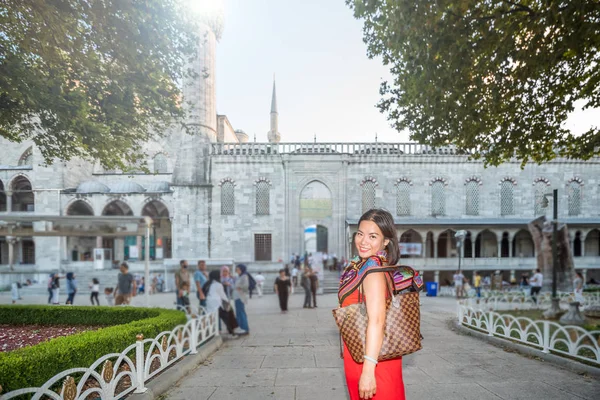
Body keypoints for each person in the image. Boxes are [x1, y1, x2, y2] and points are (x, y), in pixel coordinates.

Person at [338, 208, 404, 400]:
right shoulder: (369, 265)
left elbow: (377, 321)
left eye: (372, 236)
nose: (363, 241)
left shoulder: (373, 270)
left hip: (372, 362)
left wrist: (367, 373)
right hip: (365, 355)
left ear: (385, 241)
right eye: (360, 233)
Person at [204, 270, 238, 337]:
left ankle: (209, 333)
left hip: (209, 303)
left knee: (210, 318)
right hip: (218, 304)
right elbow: (223, 296)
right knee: (227, 317)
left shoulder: (207, 284)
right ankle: (232, 332)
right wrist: (228, 302)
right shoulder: (218, 284)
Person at [233, 264, 250, 335]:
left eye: (238, 269)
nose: (237, 271)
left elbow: (246, 286)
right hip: (237, 297)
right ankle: (241, 327)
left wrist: (240, 287)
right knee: (239, 313)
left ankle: (244, 328)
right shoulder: (239, 276)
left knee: (241, 312)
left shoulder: (244, 276)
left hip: (240, 297)